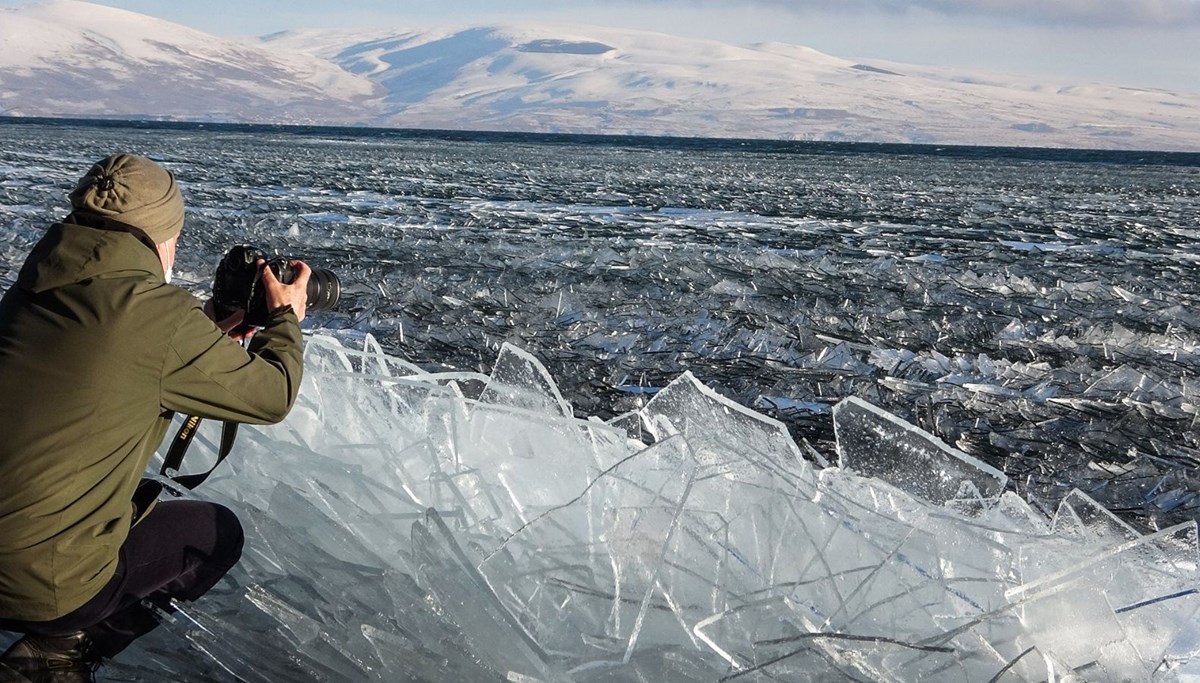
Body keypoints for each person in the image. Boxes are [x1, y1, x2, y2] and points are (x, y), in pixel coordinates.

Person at [0, 154, 310, 682]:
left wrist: (203, 332)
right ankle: (57, 655)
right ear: (160, 235)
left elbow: (118, 356)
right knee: (217, 536)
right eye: (175, 235)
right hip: (37, 583)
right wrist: (285, 317)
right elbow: (273, 396)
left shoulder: (32, 289)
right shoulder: (157, 316)